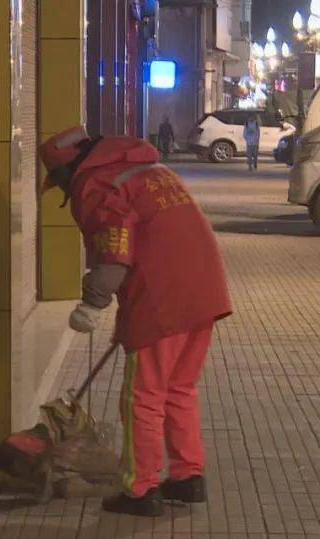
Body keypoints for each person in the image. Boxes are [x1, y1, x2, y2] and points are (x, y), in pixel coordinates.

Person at [39, 125, 232, 517]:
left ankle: (140, 489)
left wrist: (92, 304)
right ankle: (187, 476)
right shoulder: (149, 171)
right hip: (205, 289)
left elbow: (115, 254)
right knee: (178, 387)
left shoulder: (97, 186)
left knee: (142, 397)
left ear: (66, 171)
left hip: (163, 297)